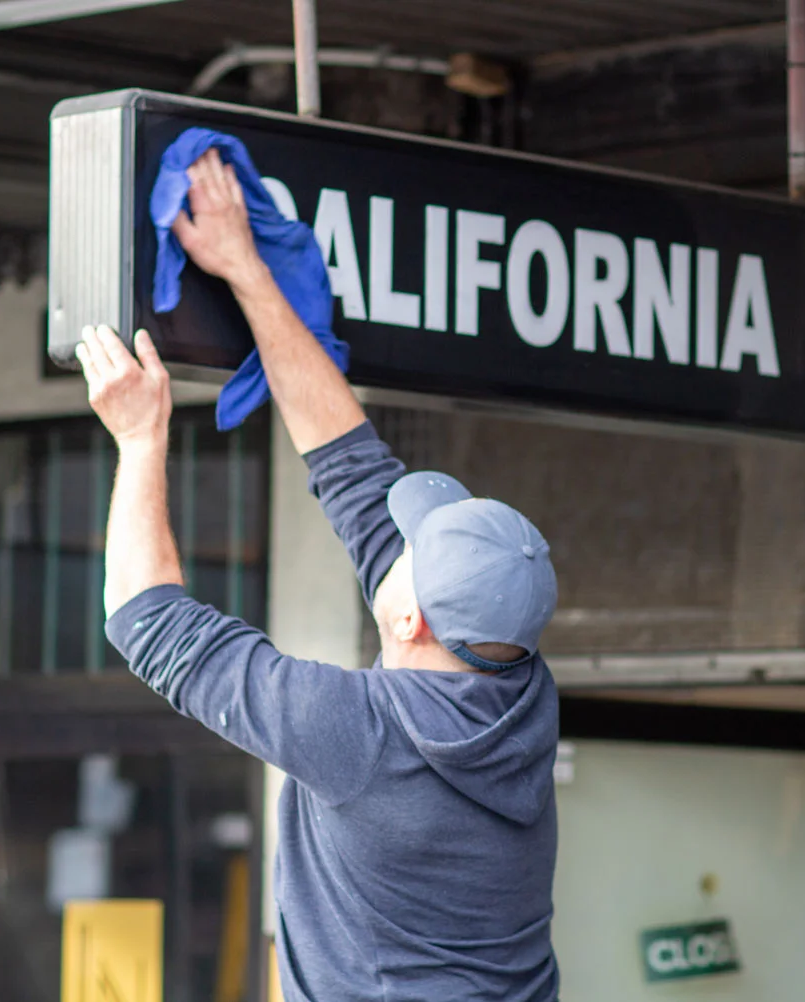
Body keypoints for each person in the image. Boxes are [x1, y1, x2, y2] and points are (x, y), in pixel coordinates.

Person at [72, 149, 561, 1002]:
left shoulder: (367, 738)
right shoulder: (514, 695)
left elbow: (145, 621)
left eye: (405, 555)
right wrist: (246, 271)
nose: (388, 542)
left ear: (409, 619)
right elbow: (353, 469)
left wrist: (141, 438)